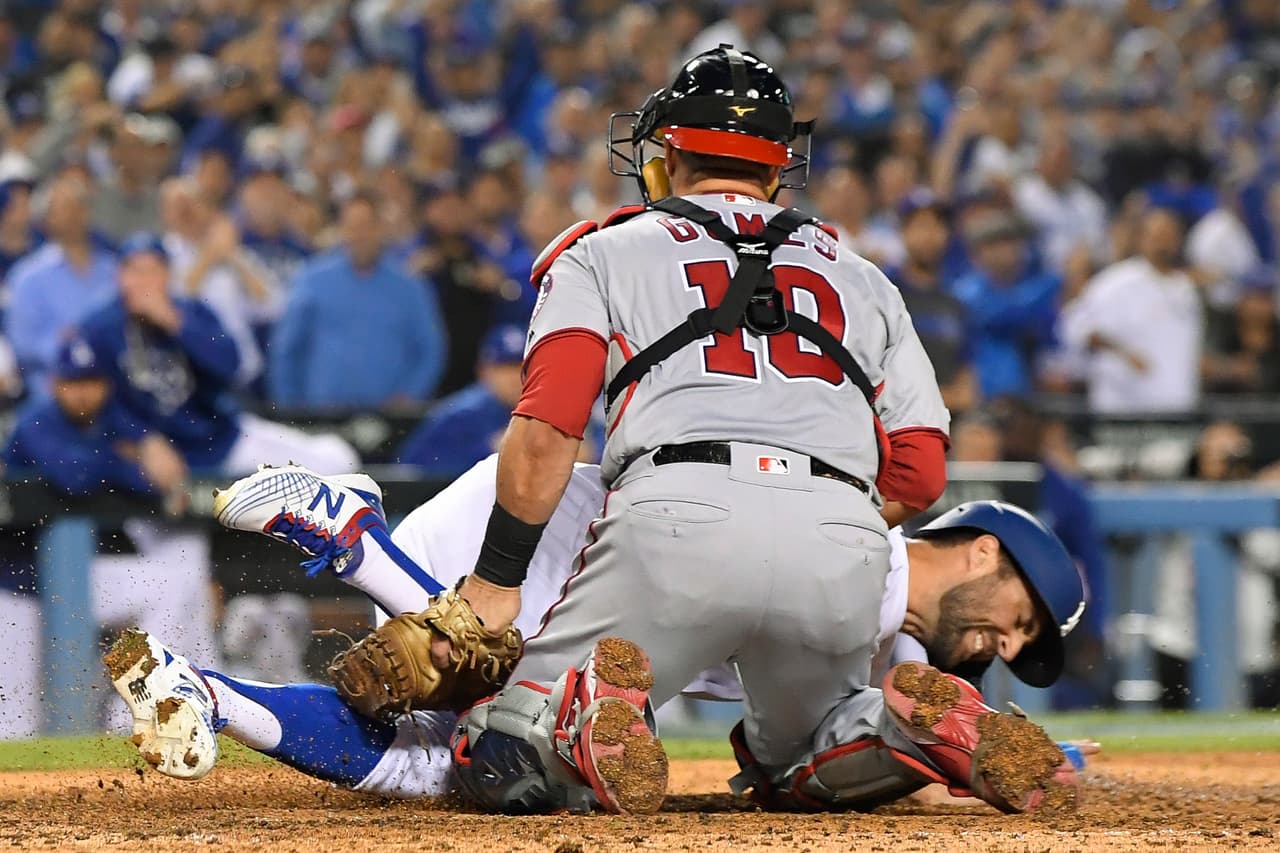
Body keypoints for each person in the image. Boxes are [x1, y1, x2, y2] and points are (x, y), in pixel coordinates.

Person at [199, 47, 1057, 817]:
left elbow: (546, 432)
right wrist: (808, 510)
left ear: (671, 152)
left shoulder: (604, 250)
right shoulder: (866, 278)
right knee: (803, 759)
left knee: (497, 753)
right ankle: (903, 727)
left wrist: (497, 583)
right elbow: (921, 472)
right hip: (841, 538)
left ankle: (572, 723)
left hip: (671, 513)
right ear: (777, 167)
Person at [112, 455, 1088, 811]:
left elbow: (897, 701)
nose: (1004, 648)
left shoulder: (899, 635)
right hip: (511, 567)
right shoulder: (854, 553)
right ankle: (349, 533)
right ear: (978, 551)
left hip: (541, 582)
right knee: (492, 746)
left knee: (446, 769)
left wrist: (1004, 749)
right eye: (1017, 624)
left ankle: (204, 694)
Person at [2, 335, 219, 739]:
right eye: (72, 382)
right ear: (54, 384)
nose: (82, 393)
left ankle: (134, 717)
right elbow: (75, 476)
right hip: (16, 587)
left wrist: (143, 447)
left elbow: (165, 472)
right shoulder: (36, 422)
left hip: (78, 582)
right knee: (15, 723)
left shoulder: (115, 420)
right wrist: (127, 462)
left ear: (106, 384)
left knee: (175, 584)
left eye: (91, 381)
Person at [73, 231, 358, 475]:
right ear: (120, 276)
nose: (143, 282)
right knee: (182, 542)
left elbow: (230, 366)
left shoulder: (192, 312)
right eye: (134, 271)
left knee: (338, 462)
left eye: (152, 271)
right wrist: (143, 439)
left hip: (220, 440)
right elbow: (91, 401)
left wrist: (176, 325)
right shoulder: (99, 328)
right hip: (149, 460)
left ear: (167, 275)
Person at [270, 192, 447, 409]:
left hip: (387, 422)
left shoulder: (411, 287)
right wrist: (291, 408)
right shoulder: (311, 280)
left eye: (366, 225)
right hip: (321, 419)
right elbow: (286, 349)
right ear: (341, 230)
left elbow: (431, 349)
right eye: (351, 226)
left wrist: (410, 395)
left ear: (380, 228)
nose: (359, 234)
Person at [1058, 206, 1203, 414]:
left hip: (1176, 407)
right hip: (1123, 409)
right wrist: (1121, 352)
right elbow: (1074, 325)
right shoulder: (1116, 282)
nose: (1163, 243)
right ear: (1140, 239)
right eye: (1157, 236)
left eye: (1169, 236)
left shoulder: (1185, 289)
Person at [4, 170, 117, 391]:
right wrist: (68, 346)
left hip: (110, 384)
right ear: (47, 220)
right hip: (53, 385)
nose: (74, 215)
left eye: (79, 206)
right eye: (63, 209)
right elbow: (22, 343)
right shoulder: (26, 276)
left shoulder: (114, 268)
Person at [950, 211, 1061, 402]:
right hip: (979, 396)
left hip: (1021, 395)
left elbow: (1050, 336)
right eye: (997, 245)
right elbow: (1005, 315)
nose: (1009, 252)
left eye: (1012, 243)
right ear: (978, 252)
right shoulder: (966, 292)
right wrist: (1062, 279)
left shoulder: (1021, 289)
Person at [883, 188, 976, 413]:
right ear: (903, 232)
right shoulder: (883, 290)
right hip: (890, 421)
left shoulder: (955, 304)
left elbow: (967, 391)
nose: (930, 234)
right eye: (921, 225)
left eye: (938, 225)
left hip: (946, 422)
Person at [397, 324, 526, 476]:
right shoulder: (461, 413)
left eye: (522, 368)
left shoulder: (542, 413)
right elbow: (410, 470)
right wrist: (487, 450)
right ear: (484, 370)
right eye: (505, 367)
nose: (515, 377)